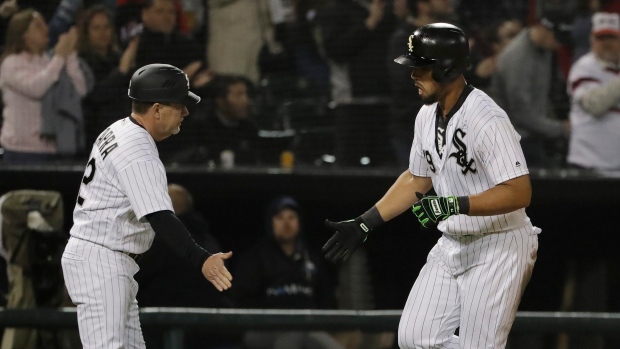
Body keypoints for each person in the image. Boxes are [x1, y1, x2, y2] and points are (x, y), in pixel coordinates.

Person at [322, 23, 539, 349]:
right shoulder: (426, 115)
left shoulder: (486, 119)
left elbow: (519, 191)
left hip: (500, 244)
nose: (413, 75)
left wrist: (454, 204)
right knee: (415, 339)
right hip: (452, 242)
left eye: (421, 68)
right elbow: (418, 178)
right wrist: (366, 222)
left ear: (447, 69)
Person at [61, 63, 234, 349]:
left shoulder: (118, 129)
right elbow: (161, 217)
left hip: (106, 257)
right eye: (179, 105)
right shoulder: (137, 148)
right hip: (102, 260)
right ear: (156, 110)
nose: (186, 112)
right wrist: (202, 259)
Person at [232, 196, 342, 349]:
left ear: (299, 222)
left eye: (291, 217)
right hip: (263, 329)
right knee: (292, 337)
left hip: (306, 327)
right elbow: (242, 300)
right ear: (271, 222)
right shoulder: (255, 258)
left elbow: (325, 297)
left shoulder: (311, 258)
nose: (286, 223)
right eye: (280, 218)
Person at [0, 9, 87, 164]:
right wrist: (60, 56)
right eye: (37, 26)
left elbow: (79, 90)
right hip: (20, 150)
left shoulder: (48, 60)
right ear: (23, 34)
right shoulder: (11, 63)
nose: (45, 29)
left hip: (51, 148)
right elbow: (36, 88)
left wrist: (70, 54)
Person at [489, 13, 572, 167]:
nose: (559, 44)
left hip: (532, 135)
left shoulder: (544, 49)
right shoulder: (518, 57)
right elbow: (521, 114)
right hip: (511, 141)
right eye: (557, 38)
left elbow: (541, 98)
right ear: (542, 29)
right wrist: (561, 128)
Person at [77, 4, 138, 147]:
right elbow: (93, 96)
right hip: (95, 135)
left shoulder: (120, 58)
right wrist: (121, 71)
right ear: (86, 32)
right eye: (96, 28)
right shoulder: (80, 62)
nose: (102, 33)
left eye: (106, 27)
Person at [567, 12, 620, 170]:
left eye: (611, 38)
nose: (606, 43)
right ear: (592, 41)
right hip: (588, 163)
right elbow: (595, 105)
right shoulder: (584, 67)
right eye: (600, 38)